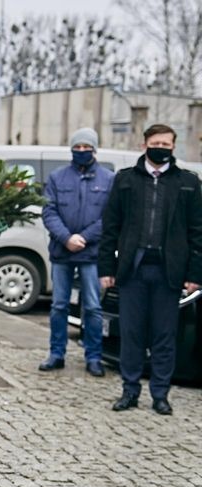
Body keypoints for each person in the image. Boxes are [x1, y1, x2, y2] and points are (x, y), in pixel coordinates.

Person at [98, 123, 202, 415]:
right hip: (133, 270)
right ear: (144, 145)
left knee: (164, 336)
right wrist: (107, 267)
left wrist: (195, 274)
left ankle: (160, 394)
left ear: (173, 147)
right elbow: (110, 226)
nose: (162, 148)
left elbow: (197, 232)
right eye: (157, 143)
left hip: (170, 272)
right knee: (131, 333)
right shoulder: (127, 180)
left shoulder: (188, 183)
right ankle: (130, 390)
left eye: (167, 145)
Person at [38, 127, 114, 377]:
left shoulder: (108, 179)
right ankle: (56, 353)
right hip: (63, 251)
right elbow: (48, 211)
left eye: (86, 147)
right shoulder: (58, 177)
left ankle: (93, 356)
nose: (81, 151)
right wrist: (67, 237)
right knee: (59, 305)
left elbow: (110, 217)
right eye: (77, 147)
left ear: (94, 149)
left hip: (91, 253)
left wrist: (84, 237)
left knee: (92, 307)